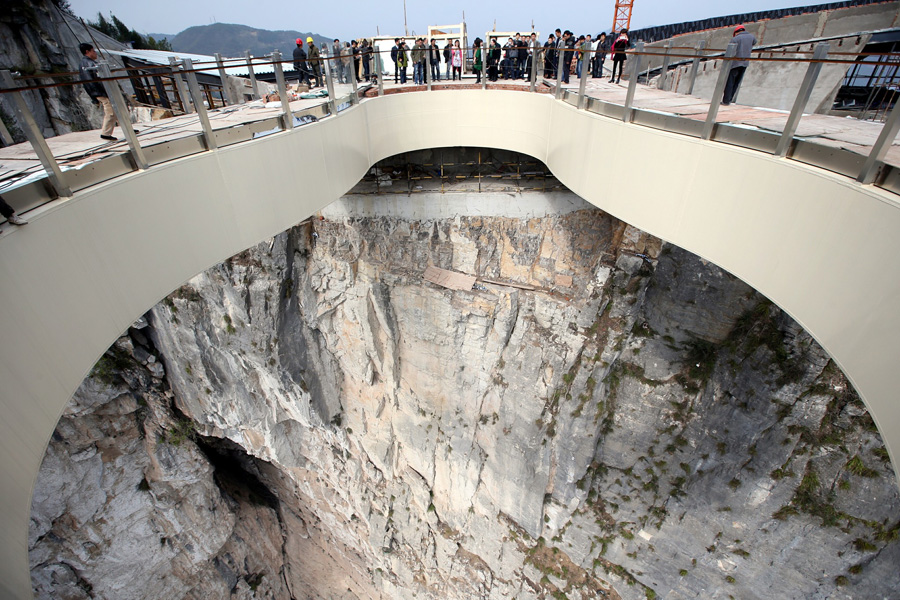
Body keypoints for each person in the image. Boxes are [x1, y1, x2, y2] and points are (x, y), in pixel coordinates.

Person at [79, 43, 118, 141]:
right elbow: (98, 79)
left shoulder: (83, 63)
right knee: (110, 112)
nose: (95, 53)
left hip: (95, 91)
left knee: (116, 109)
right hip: (100, 91)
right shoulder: (90, 64)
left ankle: (126, 126)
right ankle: (106, 133)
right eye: (93, 51)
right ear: (87, 52)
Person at [723, 25, 757, 105]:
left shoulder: (735, 39)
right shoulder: (751, 37)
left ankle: (726, 101)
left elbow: (730, 50)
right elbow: (754, 42)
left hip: (735, 63)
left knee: (730, 82)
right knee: (737, 82)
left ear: (736, 32)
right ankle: (730, 99)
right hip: (745, 63)